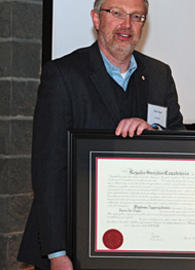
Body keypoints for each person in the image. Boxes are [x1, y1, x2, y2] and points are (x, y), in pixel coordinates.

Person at [18, 0, 184, 269]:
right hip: (75, 240)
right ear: (96, 19)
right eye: (116, 13)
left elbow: (180, 144)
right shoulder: (63, 74)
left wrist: (152, 133)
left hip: (142, 236)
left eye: (136, 16)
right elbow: (48, 168)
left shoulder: (159, 74)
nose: (126, 25)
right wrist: (56, 253)